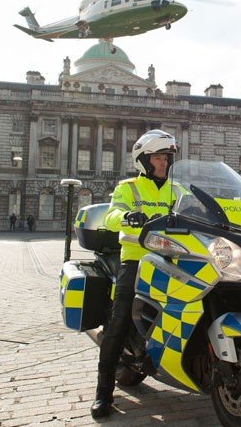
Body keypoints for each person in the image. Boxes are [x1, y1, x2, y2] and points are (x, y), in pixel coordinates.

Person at [91, 129, 179, 419]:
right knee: (119, 322)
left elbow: (202, 211)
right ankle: (103, 393)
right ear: (144, 160)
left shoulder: (178, 190)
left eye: (167, 157)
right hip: (136, 261)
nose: (164, 162)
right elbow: (111, 215)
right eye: (158, 157)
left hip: (173, 260)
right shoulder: (128, 188)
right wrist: (128, 216)